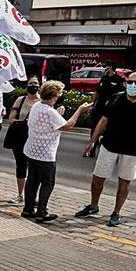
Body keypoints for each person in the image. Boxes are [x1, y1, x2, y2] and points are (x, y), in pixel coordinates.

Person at [74, 72, 136, 226]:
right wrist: (92, 141)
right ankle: (93, 206)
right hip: (109, 144)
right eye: (129, 82)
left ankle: (116, 212)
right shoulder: (116, 98)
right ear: (124, 83)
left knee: (124, 182)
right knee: (97, 178)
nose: (133, 85)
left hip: (133, 149)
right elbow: (103, 121)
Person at [22, 81, 92, 222]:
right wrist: (79, 110)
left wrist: (57, 113)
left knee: (32, 180)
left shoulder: (37, 106)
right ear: (54, 95)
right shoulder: (49, 112)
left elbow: (48, 122)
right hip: (45, 153)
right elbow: (67, 126)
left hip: (31, 149)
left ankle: (28, 209)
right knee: (48, 182)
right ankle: (42, 212)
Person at [3, 75, 41, 203]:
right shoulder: (20, 100)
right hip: (19, 138)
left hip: (35, 138)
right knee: (21, 165)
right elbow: (11, 118)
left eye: (35, 83)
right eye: (30, 83)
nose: (33, 86)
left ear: (39, 85)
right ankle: (21, 195)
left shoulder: (42, 102)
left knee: (34, 167)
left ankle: (32, 196)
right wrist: (22, 123)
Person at [86, 62, 125, 157]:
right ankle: (92, 149)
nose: (104, 68)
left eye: (106, 66)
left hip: (112, 109)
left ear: (111, 67)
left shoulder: (119, 80)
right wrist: (93, 104)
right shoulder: (104, 78)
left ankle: (111, 152)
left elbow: (122, 95)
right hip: (100, 107)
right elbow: (97, 92)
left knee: (111, 130)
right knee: (95, 127)